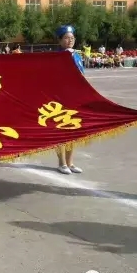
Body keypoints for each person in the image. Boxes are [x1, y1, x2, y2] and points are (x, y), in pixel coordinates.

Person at [56, 25, 84, 174]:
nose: (70, 40)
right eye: (66, 38)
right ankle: (61, 163)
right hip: (60, 99)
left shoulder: (77, 56)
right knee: (61, 132)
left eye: (72, 38)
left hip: (75, 98)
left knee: (72, 131)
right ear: (60, 40)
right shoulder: (56, 57)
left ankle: (70, 163)